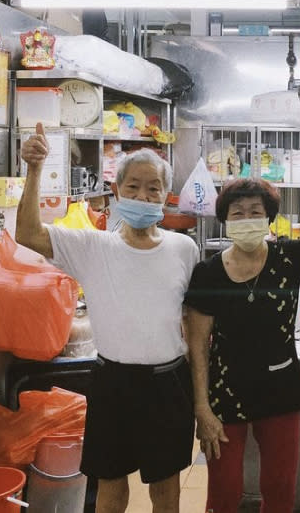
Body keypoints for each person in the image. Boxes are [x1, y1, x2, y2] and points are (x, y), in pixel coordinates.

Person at [16, 122, 199, 513]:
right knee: (111, 488)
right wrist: (34, 170)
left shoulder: (184, 249)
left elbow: (191, 320)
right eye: (132, 186)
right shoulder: (92, 246)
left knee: (166, 490)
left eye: (153, 188)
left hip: (169, 384)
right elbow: (28, 234)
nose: (142, 195)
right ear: (116, 191)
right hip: (113, 382)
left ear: (165, 196)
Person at [184, 162, 300, 513]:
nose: (247, 218)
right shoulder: (208, 272)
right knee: (224, 490)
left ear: (269, 218)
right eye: (238, 212)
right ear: (226, 220)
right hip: (223, 391)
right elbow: (198, 344)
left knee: (280, 489)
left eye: (255, 212)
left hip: (280, 387)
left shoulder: (290, 257)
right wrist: (201, 406)